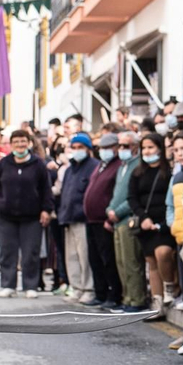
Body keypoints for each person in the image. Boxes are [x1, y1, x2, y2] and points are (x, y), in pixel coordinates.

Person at [0, 126, 54, 298]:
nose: (20, 145)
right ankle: (8, 285)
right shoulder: (3, 163)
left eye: (23, 141)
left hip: (31, 217)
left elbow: (46, 188)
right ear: (11, 145)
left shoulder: (38, 164)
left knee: (30, 252)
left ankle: (30, 286)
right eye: (16, 142)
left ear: (29, 143)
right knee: (7, 252)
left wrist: (46, 209)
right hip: (5, 216)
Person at [129, 132, 177, 320]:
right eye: (144, 148)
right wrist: (143, 217)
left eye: (151, 147)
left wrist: (164, 222)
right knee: (152, 263)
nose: (147, 151)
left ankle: (169, 287)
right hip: (145, 224)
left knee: (163, 253)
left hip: (164, 223)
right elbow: (132, 198)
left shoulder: (169, 171)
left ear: (160, 148)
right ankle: (157, 303)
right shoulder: (137, 172)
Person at [105, 132, 148, 312]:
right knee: (121, 262)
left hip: (128, 219)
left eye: (126, 146)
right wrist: (109, 210)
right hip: (116, 221)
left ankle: (137, 299)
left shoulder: (137, 166)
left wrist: (117, 212)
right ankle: (127, 298)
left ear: (135, 147)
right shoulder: (122, 166)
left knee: (131, 262)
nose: (121, 149)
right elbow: (116, 194)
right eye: (120, 145)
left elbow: (132, 197)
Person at [84, 132, 125, 310]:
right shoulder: (101, 165)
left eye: (108, 147)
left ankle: (114, 294)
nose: (104, 151)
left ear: (116, 148)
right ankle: (100, 293)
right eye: (102, 148)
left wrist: (110, 216)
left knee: (108, 259)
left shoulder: (118, 165)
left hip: (105, 219)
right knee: (95, 259)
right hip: (92, 219)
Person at [57, 131, 99, 304]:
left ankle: (89, 289)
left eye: (80, 147)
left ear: (88, 148)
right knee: (72, 257)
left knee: (85, 257)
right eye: (73, 147)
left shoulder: (94, 166)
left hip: (83, 218)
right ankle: (76, 287)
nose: (76, 150)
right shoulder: (70, 169)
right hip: (69, 218)